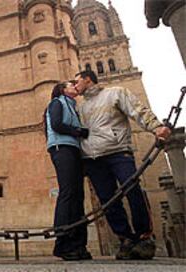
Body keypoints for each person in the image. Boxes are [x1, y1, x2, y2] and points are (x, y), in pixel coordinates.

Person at [74, 70, 171, 260]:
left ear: (88, 80)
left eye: (77, 81)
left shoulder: (116, 93)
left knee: (133, 190)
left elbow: (137, 110)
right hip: (93, 159)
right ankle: (125, 238)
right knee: (108, 200)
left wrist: (156, 127)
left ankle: (144, 237)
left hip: (118, 152)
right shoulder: (81, 107)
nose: (75, 85)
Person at [44, 82, 91, 261]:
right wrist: (79, 131)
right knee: (68, 192)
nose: (74, 85)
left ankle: (79, 244)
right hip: (61, 148)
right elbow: (56, 125)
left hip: (73, 149)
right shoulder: (56, 102)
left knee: (78, 195)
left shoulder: (72, 106)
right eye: (71, 84)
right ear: (63, 90)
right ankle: (63, 242)